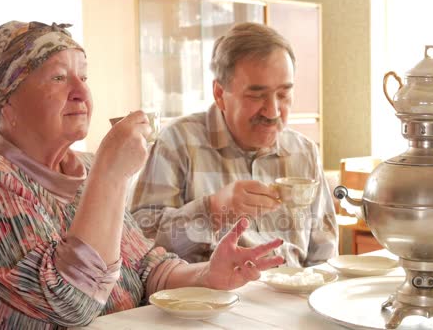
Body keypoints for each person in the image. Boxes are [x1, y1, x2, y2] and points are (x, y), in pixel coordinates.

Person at [0, 21, 284, 329]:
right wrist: (111, 173)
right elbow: (71, 303)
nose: (82, 92)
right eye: (57, 77)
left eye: (83, 77)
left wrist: (206, 274)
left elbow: (146, 268)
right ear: (6, 99)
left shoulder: (84, 167)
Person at [130, 22, 337, 267]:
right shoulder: (177, 142)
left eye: (283, 94)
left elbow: (324, 255)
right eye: (256, 95)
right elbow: (139, 245)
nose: (272, 111)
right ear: (219, 94)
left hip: (293, 298)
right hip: (213, 300)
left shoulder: (304, 151)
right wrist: (213, 210)